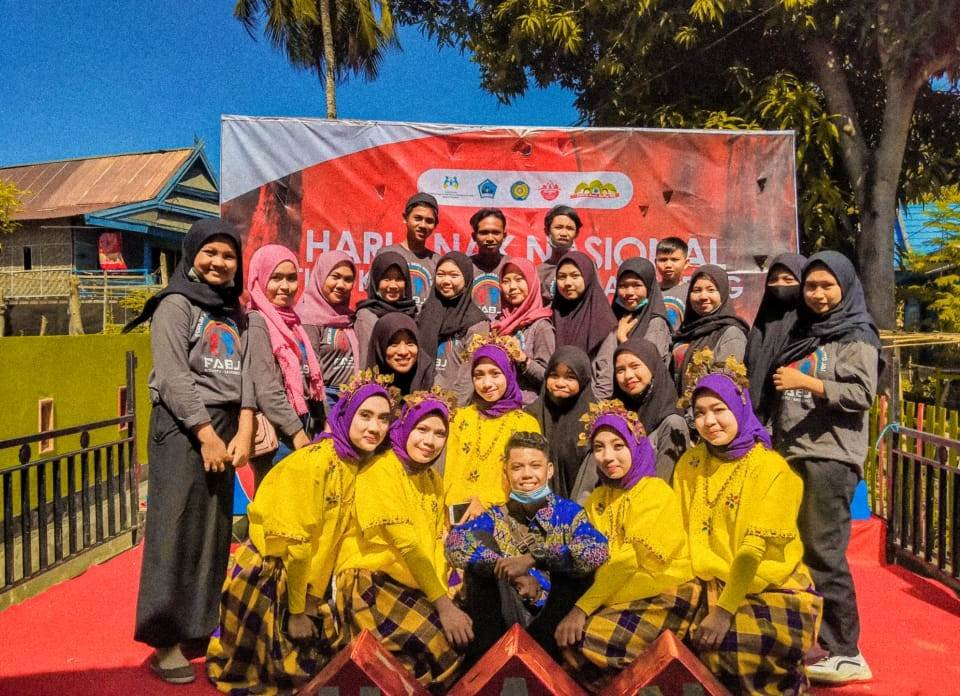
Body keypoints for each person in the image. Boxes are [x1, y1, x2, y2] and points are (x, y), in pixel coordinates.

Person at [207, 372, 397, 695]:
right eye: (365, 416)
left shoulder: (355, 463)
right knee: (290, 676)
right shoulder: (313, 463)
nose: (375, 427)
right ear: (347, 415)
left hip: (308, 583)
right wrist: (297, 611)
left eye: (383, 419)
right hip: (271, 577)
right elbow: (296, 548)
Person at [125, 219, 255, 684]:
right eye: (210, 253)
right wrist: (204, 433)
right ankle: (165, 642)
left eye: (228, 255)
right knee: (175, 531)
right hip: (183, 428)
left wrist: (244, 427)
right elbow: (173, 375)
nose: (219, 262)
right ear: (191, 255)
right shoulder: (175, 304)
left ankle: (198, 627)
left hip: (224, 426)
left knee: (213, 533)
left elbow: (246, 373)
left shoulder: (234, 311)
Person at [674, 368, 823, 695]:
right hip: (706, 577)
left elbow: (753, 552)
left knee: (735, 648)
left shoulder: (772, 470)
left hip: (767, 581)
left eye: (719, 410)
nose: (709, 422)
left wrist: (723, 610)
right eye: (699, 413)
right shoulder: (690, 463)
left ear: (739, 408)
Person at [769, 251, 880, 684]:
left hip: (830, 455)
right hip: (796, 452)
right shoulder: (806, 330)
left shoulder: (857, 333)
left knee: (824, 552)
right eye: (811, 286)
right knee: (802, 551)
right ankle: (817, 639)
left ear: (845, 287)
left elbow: (862, 394)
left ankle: (846, 651)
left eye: (826, 286)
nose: (817, 294)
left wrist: (807, 382)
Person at [557, 401, 700, 692]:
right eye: (599, 448)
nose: (608, 457)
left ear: (635, 446)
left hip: (662, 592)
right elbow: (585, 552)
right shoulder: (598, 499)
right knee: (562, 634)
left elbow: (628, 561)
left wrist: (583, 609)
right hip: (618, 594)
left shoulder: (654, 492)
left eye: (618, 446)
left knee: (589, 638)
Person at [336, 389, 471, 690]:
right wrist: (443, 606)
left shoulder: (432, 479)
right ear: (405, 427)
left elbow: (436, 540)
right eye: (422, 429)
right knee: (437, 642)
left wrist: (445, 595)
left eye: (439, 433)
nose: (429, 441)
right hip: (370, 581)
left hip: (411, 581)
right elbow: (407, 545)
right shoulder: (381, 470)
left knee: (463, 635)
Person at [446, 431, 608, 664]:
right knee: (480, 550)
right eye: (517, 467)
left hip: (552, 622)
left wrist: (536, 559)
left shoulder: (568, 513)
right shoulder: (495, 516)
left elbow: (596, 551)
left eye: (535, 466)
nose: (526, 474)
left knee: (574, 566)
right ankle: (491, 661)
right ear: (506, 472)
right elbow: (455, 543)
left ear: (549, 470)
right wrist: (509, 572)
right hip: (505, 620)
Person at [245, 245, 325, 486]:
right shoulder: (257, 322)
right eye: (276, 278)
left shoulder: (293, 323)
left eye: (291, 278)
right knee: (277, 502)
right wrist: (296, 433)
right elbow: (266, 388)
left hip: (300, 426)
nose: (285, 286)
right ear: (260, 279)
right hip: (281, 435)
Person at [443, 333, 542, 521]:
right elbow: (449, 473)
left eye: (495, 374)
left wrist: (485, 503)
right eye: (478, 375)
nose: (486, 384)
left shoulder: (525, 424)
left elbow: (526, 480)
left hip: (503, 519)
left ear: (509, 374)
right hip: (457, 517)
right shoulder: (460, 418)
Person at [526, 347, 597, 502]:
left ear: (583, 379)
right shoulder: (530, 416)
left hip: (580, 507)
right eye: (554, 375)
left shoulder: (593, 422)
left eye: (570, 377)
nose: (560, 383)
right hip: (535, 506)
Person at [417, 251, 490, 402]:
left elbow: (468, 375)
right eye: (441, 274)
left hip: (454, 406)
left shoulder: (476, 323)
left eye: (454, 275)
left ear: (466, 279)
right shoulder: (426, 313)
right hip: (420, 402)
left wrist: (453, 408)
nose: (446, 281)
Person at [612, 339, 689, 482]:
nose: (628, 375)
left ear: (653, 367)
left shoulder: (672, 424)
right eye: (620, 370)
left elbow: (663, 486)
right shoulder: (616, 415)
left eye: (635, 366)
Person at [744, 253, 806, 423]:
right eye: (773, 279)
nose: (779, 285)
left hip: (794, 420)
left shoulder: (809, 327)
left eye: (788, 280)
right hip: (757, 421)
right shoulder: (760, 327)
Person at [296, 249, 361, 409]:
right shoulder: (307, 317)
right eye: (335, 277)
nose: (341, 285)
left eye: (348, 279)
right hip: (323, 402)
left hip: (351, 401)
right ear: (321, 275)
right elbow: (309, 374)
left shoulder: (349, 318)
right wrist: (325, 416)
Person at [671, 264, 748, 396]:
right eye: (697, 290)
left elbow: (724, 385)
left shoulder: (731, 334)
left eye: (711, 290)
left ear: (723, 294)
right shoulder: (685, 332)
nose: (703, 296)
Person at [552, 251, 618, 398]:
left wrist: (587, 407)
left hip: (589, 402)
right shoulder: (552, 314)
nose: (567, 283)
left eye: (575, 276)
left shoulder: (602, 320)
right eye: (562, 277)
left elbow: (605, 382)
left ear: (588, 277)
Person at [491, 258, 556, 404]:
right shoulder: (498, 324)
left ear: (532, 283)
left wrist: (522, 359)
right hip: (498, 407)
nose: (512, 287)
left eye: (519, 279)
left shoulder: (541, 326)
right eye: (506, 281)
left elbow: (549, 378)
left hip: (527, 409)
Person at [354, 251, 418, 367]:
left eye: (399, 279)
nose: (393, 285)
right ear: (376, 281)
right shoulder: (367, 316)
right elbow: (366, 360)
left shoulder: (412, 313)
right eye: (386, 279)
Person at [379, 192, 441, 308]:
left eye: (429, 221)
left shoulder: (438, 262)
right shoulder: (386, 254)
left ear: (435, 225)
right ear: (405, 218)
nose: (423, 225)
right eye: (418, 218)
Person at [612, 257, 672, 359]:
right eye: (623, 286)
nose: (629, 292)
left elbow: (650, 361)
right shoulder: (614, 317)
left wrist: (622, 337)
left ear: (649, 288)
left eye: (637, 285)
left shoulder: (656, 323)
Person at [365, 312, 435, 396]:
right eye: (394, 344)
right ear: (380, 347)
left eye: (410, 344)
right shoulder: (364, 391)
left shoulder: (432, 380)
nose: (403, 352)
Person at [468, 207, 508, 319]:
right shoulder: (464, 267)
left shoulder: (513, 267)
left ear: (504, 236)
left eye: (496, 232)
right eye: (484, 233)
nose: (490, 238)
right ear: (474, 236)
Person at [537, 205, 582, 303]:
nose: (564, 233)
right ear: (547, 231)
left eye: (569, 228)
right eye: (558, 227)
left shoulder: (585, 267)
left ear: (577, 233)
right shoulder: (539, 272)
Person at [655, 237, 690, 333]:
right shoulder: (650, 291)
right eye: (663, 260)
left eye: (674, 260)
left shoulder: (691, 292)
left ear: (686, 263)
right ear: (655, 262)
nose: (668, 265)